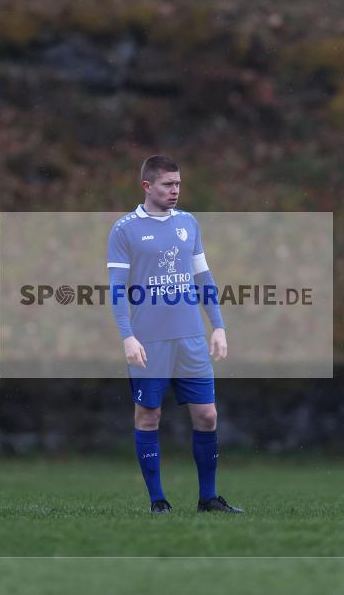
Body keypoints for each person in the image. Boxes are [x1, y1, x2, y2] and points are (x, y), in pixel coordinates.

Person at [107, 155, 243, 515]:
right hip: (149, 341)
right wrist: (127, 336)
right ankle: (158, 501)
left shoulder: (189, 224)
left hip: (191, 338)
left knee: (208, 416)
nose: (175, 191)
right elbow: (117, 289)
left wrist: (218, 326)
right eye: (168, 184)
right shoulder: (124, 230)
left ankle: (208, 498)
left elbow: (204, 279)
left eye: (178, 184)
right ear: (147, 186)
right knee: (148, 416)